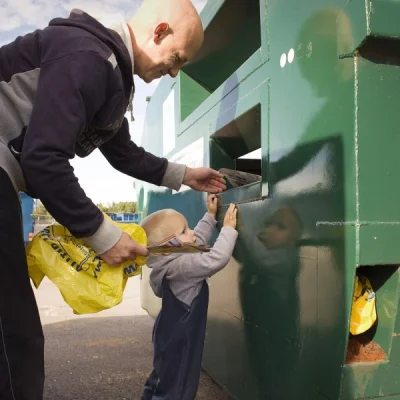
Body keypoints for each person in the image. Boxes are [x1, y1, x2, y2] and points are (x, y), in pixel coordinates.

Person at [0, 0, 226, 398]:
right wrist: (103, 236)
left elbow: (122, 153)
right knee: (14, 341)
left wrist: (187, 176)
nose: (173, 72)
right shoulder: (89, 57)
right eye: (176, 58)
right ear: (159, 32)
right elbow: (43, 159)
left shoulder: (109, 71)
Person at [140, 196, 238, 400]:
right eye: (184, 231)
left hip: (167, 332)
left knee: (164, 375)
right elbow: (216, 258)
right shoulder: (181, 267)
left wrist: (210, 216)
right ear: (170, 244)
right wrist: (228, 229)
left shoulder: (169, 260)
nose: (191, 232)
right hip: (181, 337)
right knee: (180, 385)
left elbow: (197, 241)